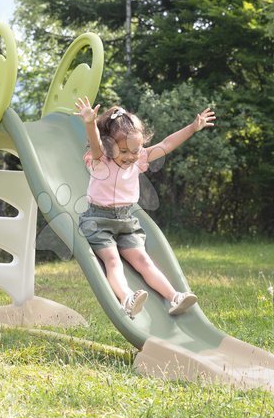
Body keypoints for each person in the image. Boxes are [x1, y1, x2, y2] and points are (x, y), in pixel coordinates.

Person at [75, 96, 215, 319]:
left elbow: (167, 145)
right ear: (110, 146)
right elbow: (95, 143)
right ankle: (127, 299)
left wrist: (192, 127)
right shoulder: (102, 160)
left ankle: (174, 297)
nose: (131, 156)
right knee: (112, 260)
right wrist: (90, 123)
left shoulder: (138, 157)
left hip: (126, 221)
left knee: (143, 260)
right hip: (98, 221)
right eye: (124, 151)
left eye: (136, 150)